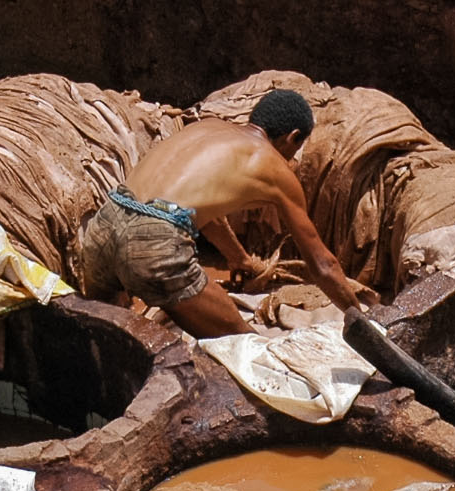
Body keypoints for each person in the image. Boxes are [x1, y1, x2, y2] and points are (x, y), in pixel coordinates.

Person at [76, 89, 363, 337]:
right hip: (154, 243)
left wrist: (239, 259)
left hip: (105, 223)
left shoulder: (207, 128)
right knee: (242, 345)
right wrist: (362, 318)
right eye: (297, 148)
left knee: (107, 336)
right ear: (294, 137)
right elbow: (322, 265)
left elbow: (191, 210)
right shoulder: (274, 166)